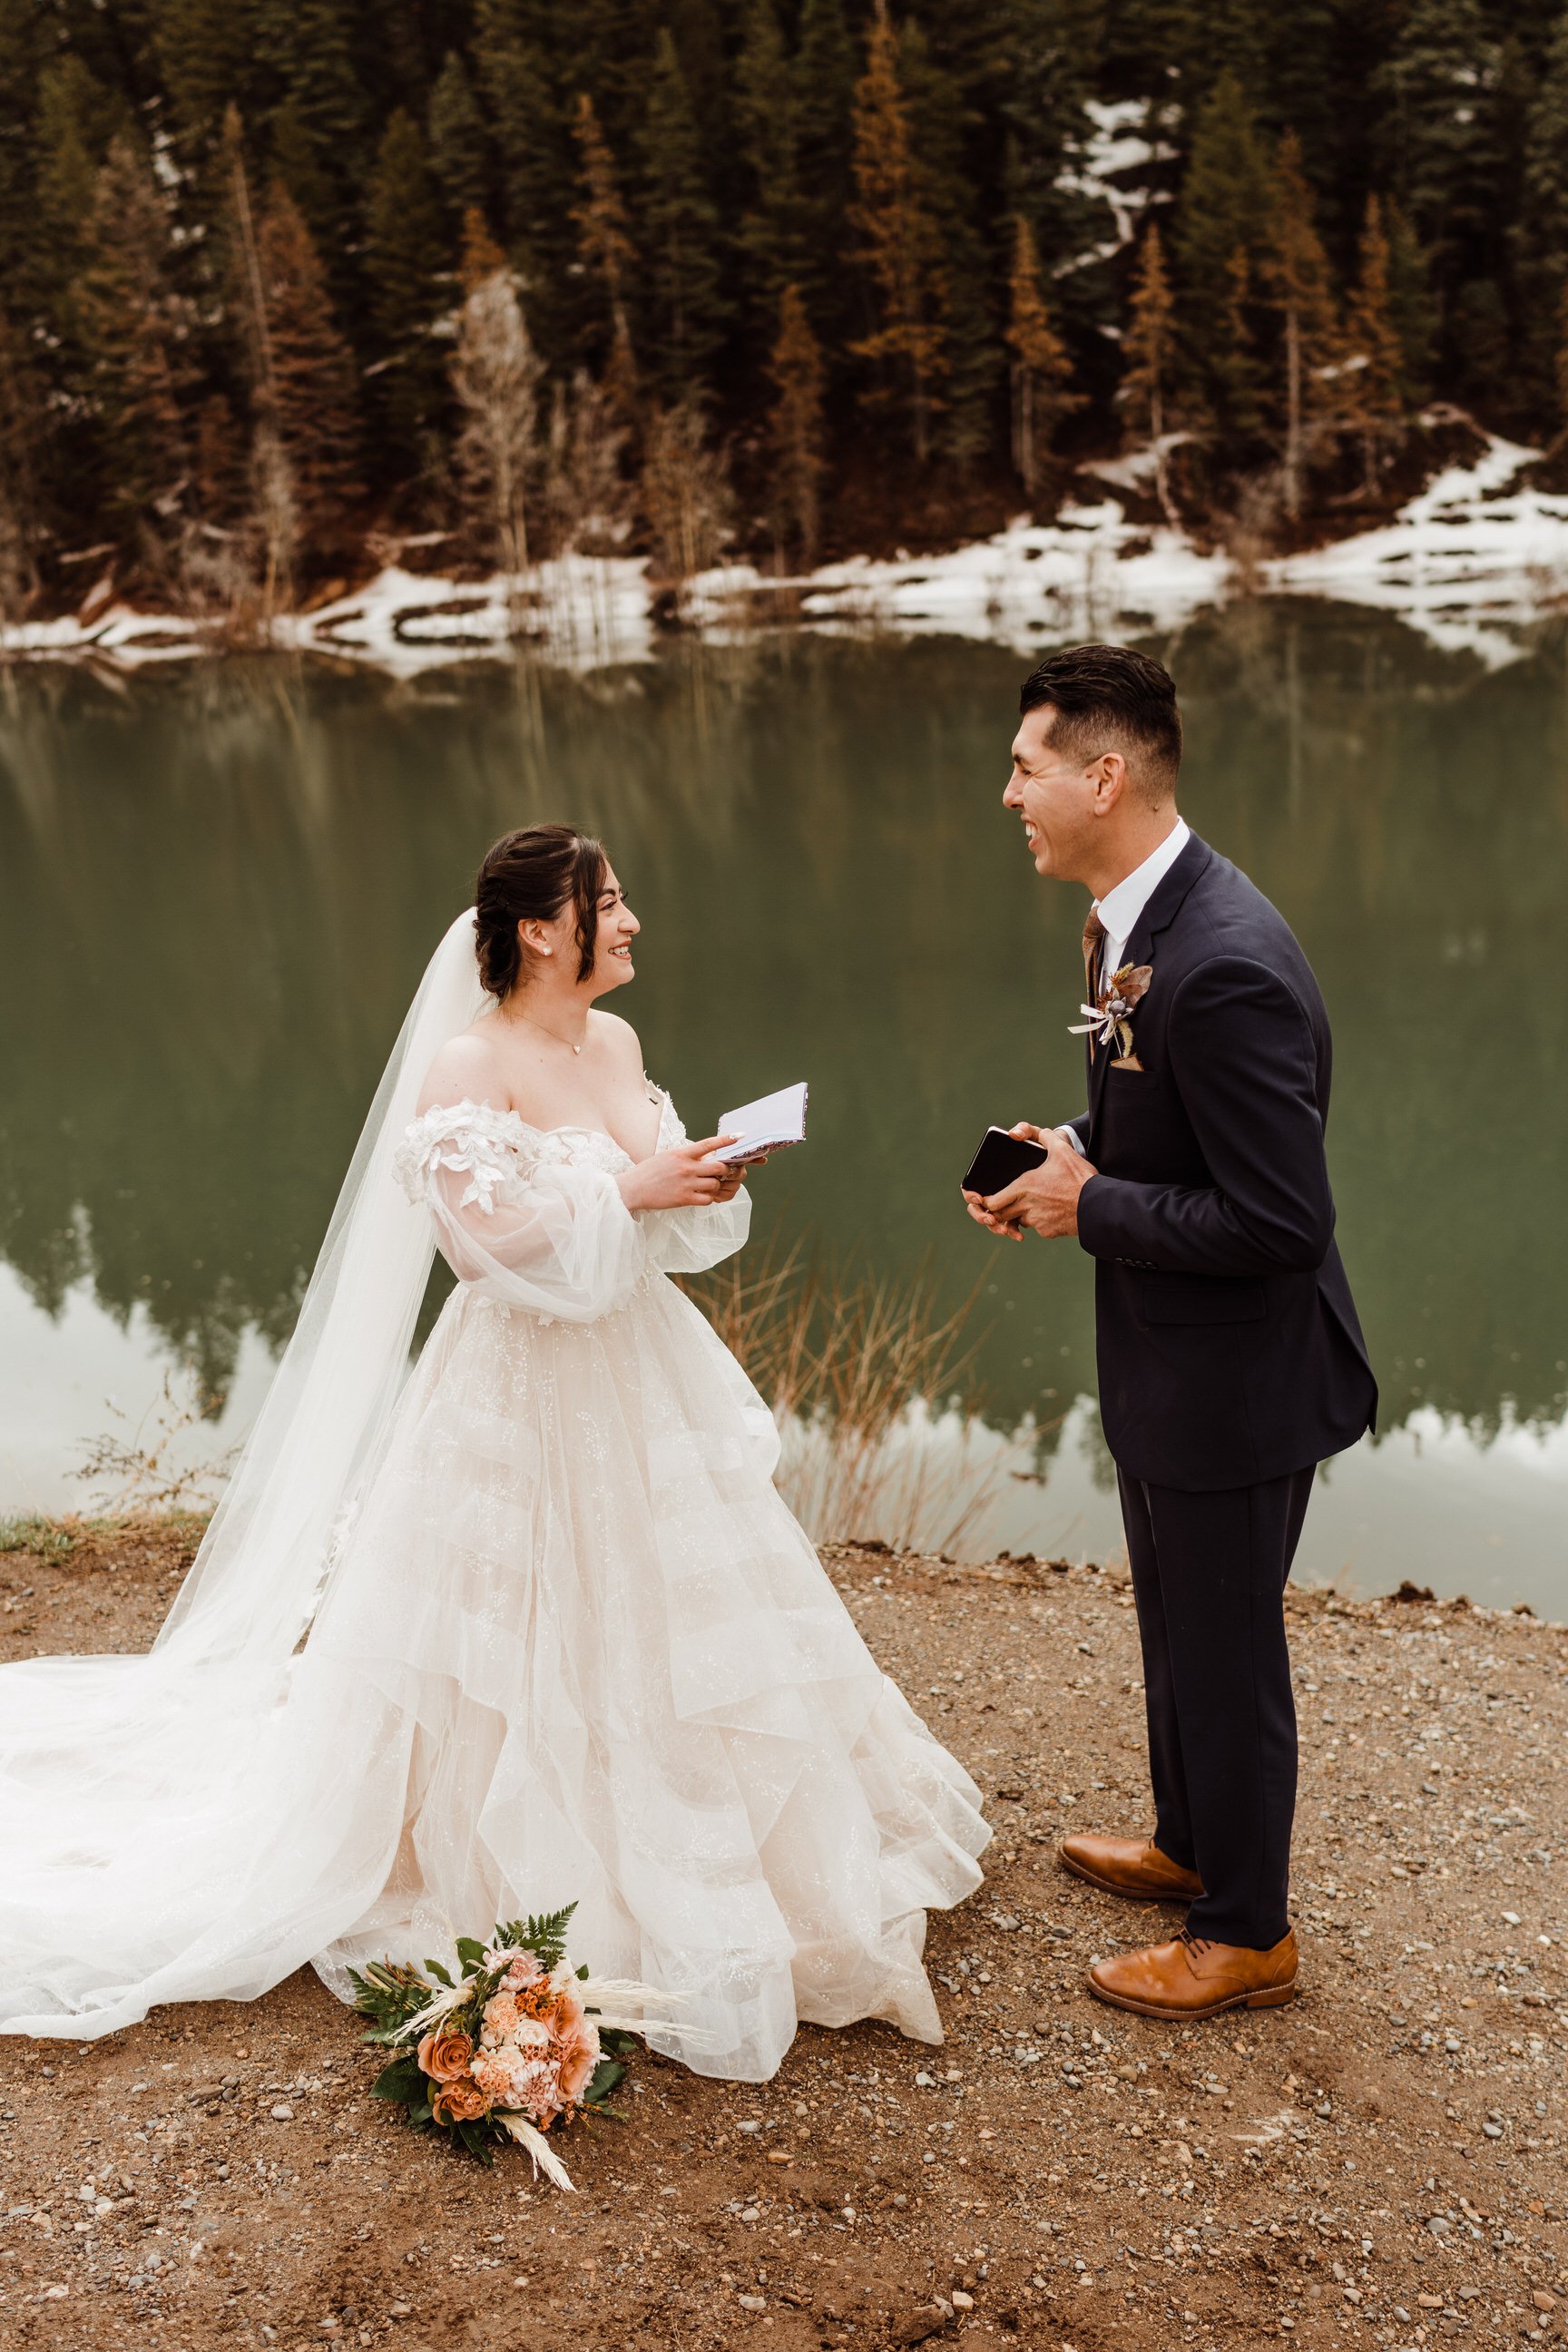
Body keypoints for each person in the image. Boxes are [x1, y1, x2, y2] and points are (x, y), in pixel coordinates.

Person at [0, 824, 987, 2074]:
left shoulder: (617, 1041)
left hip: (637, 1370)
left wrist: (702, 1178)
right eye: (610, 904)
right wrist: (629, 1192)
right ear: (540, 928)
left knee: (669, 1614)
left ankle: (721, 1840)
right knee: (502, 1629)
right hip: (515, 1386)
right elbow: (484, 1247)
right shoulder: (469, 1064)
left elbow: (644, 1208)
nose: (631, 923)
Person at [964, 644, 1376, 2021]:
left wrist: (1096, 1207)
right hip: (1171, 1358)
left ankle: (1248, 1932)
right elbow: (1173, 1131)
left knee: (1226, 1640)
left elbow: (1282, 1223)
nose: (1008, 792)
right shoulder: (1135, 918)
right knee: (1179, 1623)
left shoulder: (1228, 960)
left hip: (1241, 1379)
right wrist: (1069, 1155)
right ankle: (1192, 1848)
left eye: (1026, 767)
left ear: (1105, 773)